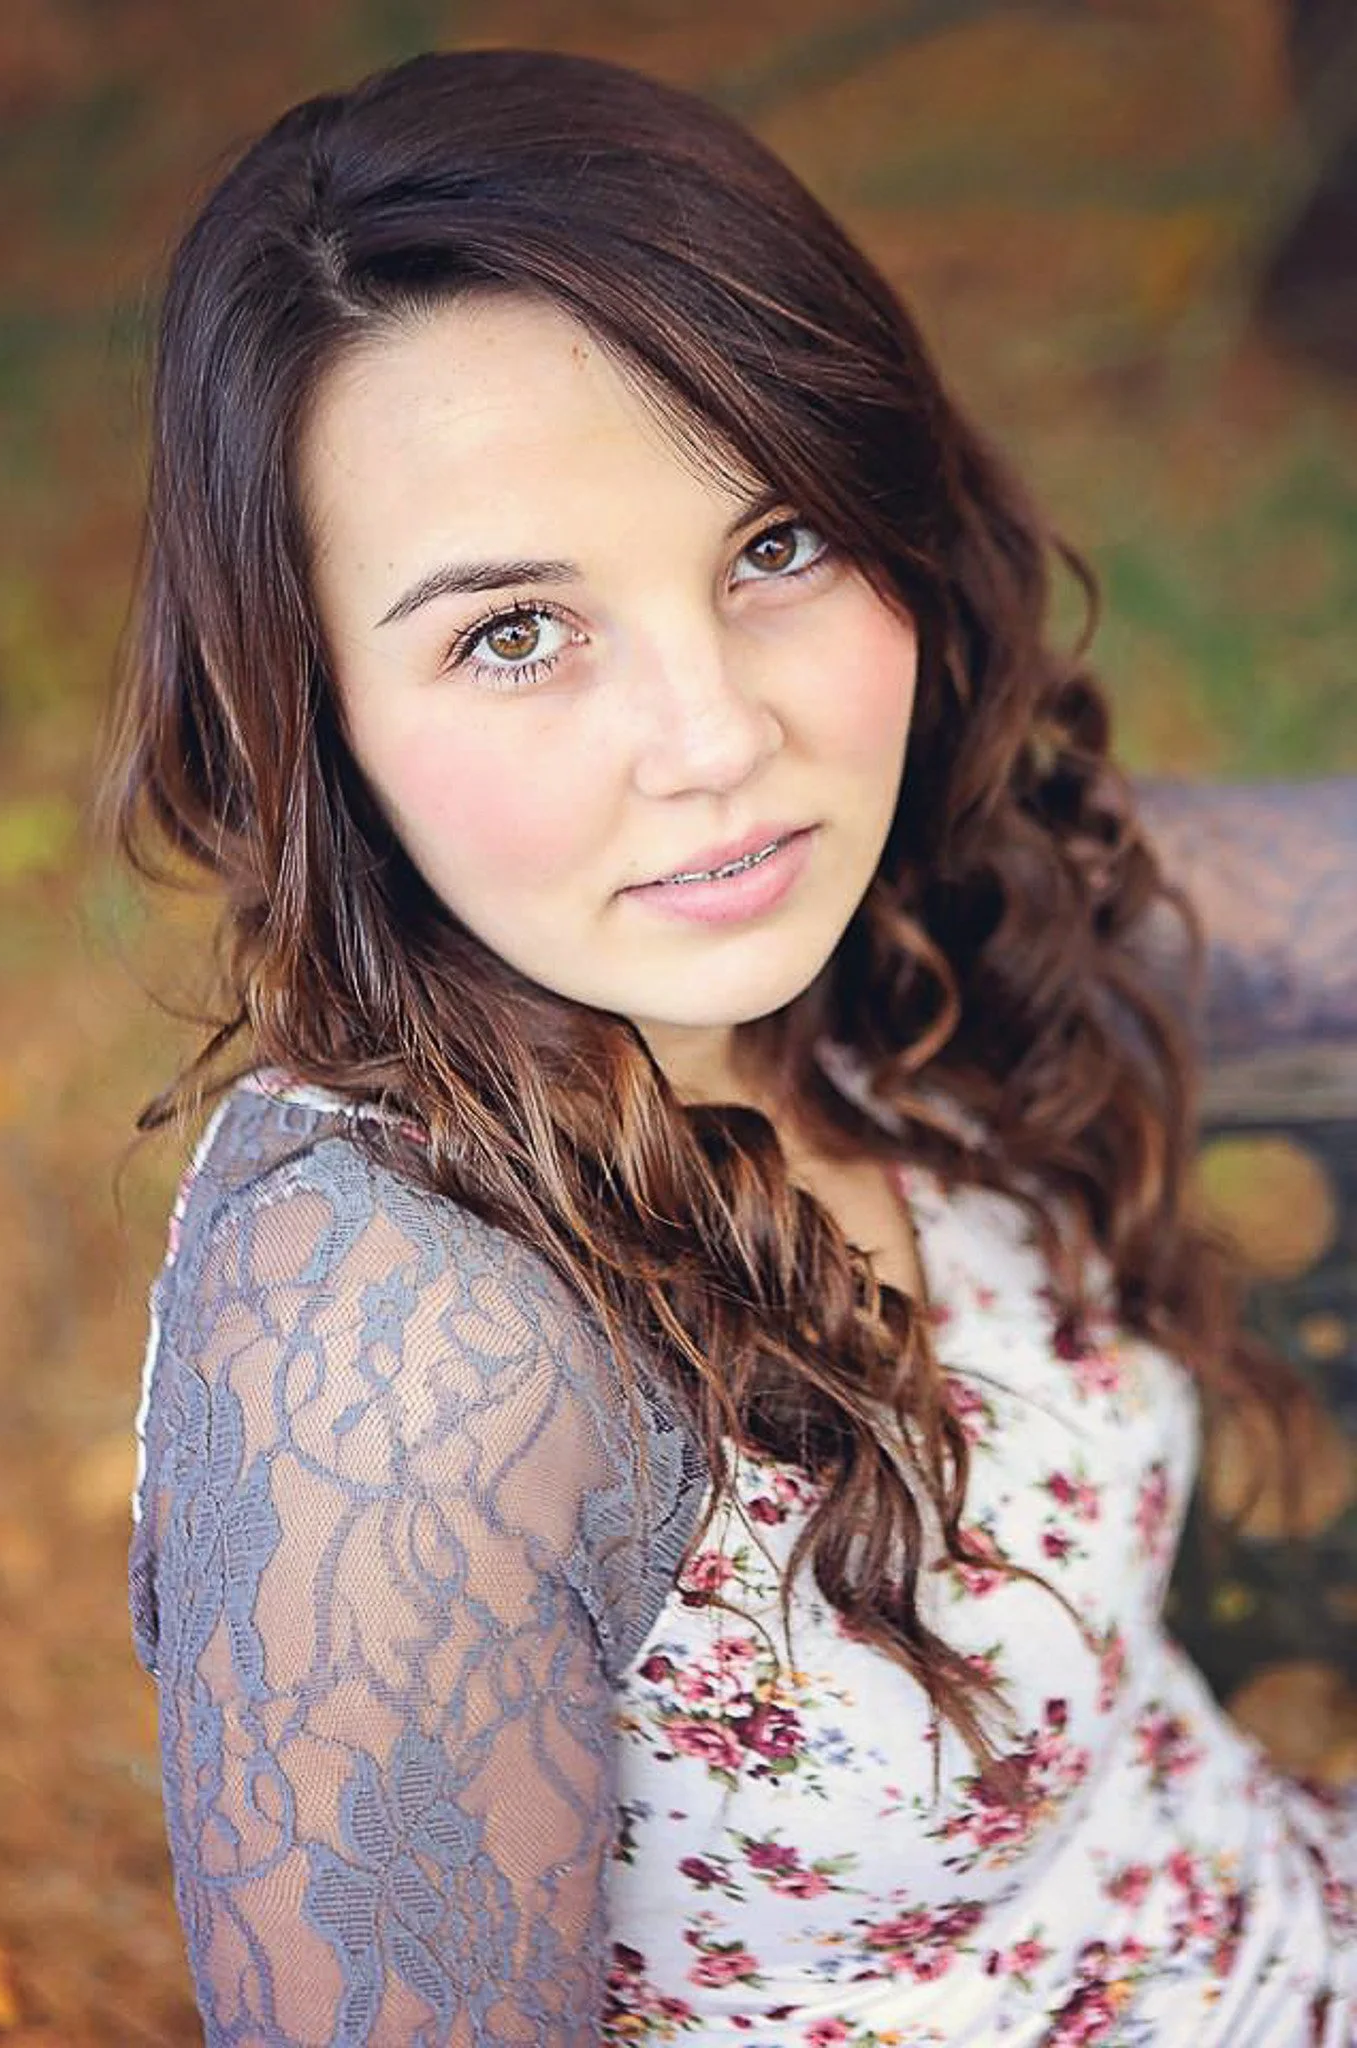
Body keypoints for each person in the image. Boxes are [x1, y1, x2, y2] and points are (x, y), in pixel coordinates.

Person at [99, 46, 1355, 2048]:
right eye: (515, 630)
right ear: (309, 714)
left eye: (773, 545)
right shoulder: (411, 1340)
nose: (714, 744)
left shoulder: (920, 914)